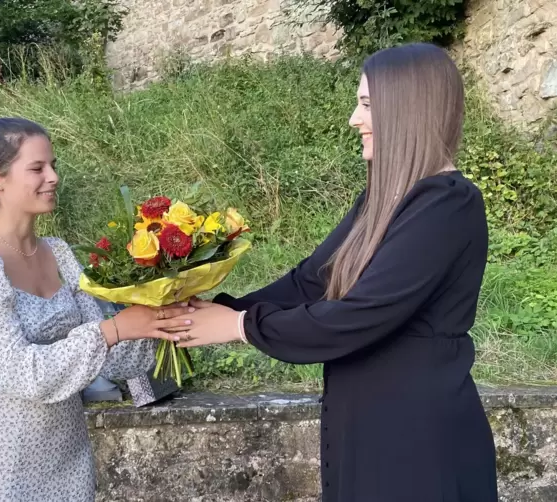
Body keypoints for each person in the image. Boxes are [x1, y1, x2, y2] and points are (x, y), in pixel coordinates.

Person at [174, 43, 498, 501]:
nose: (354, 119)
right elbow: (314, 279)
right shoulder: (381, 200)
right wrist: (212, 310)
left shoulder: (447, 204)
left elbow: (361, 314)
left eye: (367, 105)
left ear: (407, 108)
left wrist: (239, 326)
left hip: (417, 438)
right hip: (366, 424)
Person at [0, 117, 193, 502]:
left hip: (67, 464)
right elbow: (22, 374)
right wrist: (114, 330)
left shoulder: (58, 253)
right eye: (37, 168)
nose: (53, 177)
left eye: (53, 165)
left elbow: (116, 364)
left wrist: (155, 314)